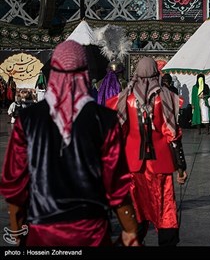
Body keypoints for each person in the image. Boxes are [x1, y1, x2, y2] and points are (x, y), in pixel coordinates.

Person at [0, 40, 140, 246]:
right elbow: (117, 186)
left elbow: (15, 187)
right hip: (91, 231)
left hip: (42, 232)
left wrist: (16, 233)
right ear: (85, 73)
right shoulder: (105, 120)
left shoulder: (28, 120)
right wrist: (130, 230)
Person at [107, 56, 188, 246]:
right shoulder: (165, 97)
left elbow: (120, 132)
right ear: (155, 71)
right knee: (165, 207)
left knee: (136, 206)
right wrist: (181, 168)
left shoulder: (125, 97)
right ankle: (166, 241)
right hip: (161, 163)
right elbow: (173, 135)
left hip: (132, 164)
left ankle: (136, 239)